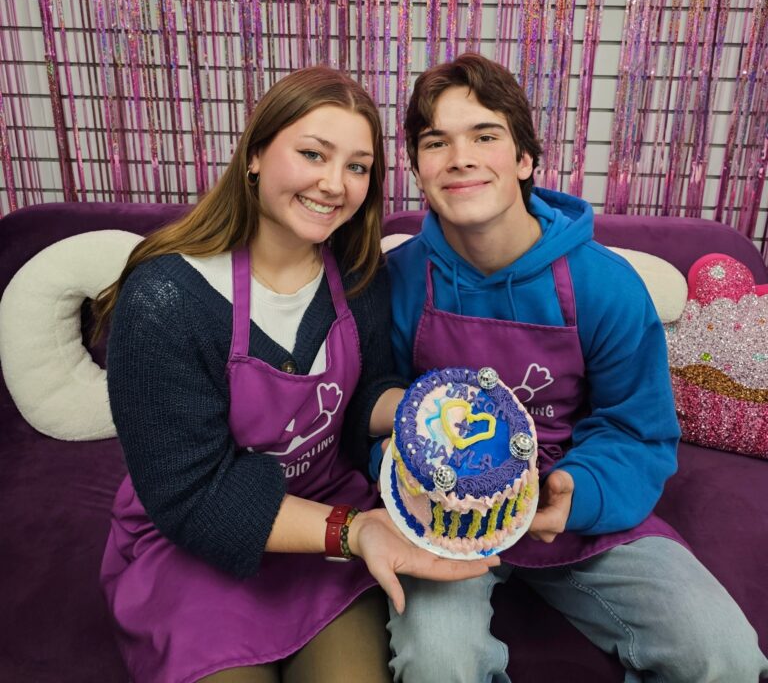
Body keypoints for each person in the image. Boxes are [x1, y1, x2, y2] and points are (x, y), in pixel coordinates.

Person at [97, 66, 497, 683]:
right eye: (313, 154)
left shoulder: (359, 276)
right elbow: (193, 495)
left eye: (358, 166)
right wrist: (355, 532)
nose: (334, 184)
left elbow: (364, 395)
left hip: (328, 523)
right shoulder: (164, 300)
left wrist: (421, 409)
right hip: (200, 546)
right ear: (256, 155)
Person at [382, 53, 768, 683]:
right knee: (438, 661)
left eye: (485, 136)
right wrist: (410, 481)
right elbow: (374, 408)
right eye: (436, 142)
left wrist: (576, 492)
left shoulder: (603, 285)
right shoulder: (396, 281)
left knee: (722, 653)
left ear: (524, 159)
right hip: (444, 520)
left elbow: (638, 429)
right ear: (418, 170)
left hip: (569, 507)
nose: (460, 157)